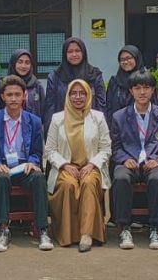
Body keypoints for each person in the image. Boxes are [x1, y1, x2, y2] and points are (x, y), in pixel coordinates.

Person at [0, 75, 53, 252]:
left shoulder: (34, 121)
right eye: (9, 95)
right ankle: (4, 230)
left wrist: (33, 162)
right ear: (3, 97)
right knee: (1, 179)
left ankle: (43, 230)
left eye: (17, 94)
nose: (14, 99)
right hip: (3, 166)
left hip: (24, 167)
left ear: (24, 96)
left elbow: (37, 151)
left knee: (38, 177)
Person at [110, 70, 158, 250]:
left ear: (153, 90)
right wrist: (124, 159)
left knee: (157, 178)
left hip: (155, 162)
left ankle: (155, 227)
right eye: (137, 88)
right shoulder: (119, 116)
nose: (142, 92)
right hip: (129, 161)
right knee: (120, 178)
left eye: (146, 87)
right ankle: (124, 227)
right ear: (131, 91)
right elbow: (115, 146)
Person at [45, 79, 111, 251]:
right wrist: (64, 165)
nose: (78, 97)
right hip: (66, 167)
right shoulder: (57, 119)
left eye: (82, 93)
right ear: (68, 96)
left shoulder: (98, 117)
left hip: (91, 166)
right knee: (68, 185)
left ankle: (87, 234)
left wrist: (93, 164)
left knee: (88, 183)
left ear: (88, 95)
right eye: (73, 93)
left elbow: (106, 148)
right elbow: (50, 150)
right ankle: (67, 234)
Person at [44, 37, 106, 130]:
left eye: (77, 51)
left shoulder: (94, 74)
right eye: (70, 51)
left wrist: (102, 128)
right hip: (63, 128)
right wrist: (49, 130)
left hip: (90, 128)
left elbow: (101, 105)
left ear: (83, 52)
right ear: (65, 54)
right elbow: (50, 106)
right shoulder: (55, 76)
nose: (74, 54)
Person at [106, 45, 148, 125]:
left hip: (141, 126)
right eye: (122, 59)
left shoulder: (146, 80)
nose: (125, 62)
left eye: (129, 58)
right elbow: (109, 106)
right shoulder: (114, 81)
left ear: (136, 58)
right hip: (118, 125)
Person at [6, 49, 45, 119]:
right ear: (14, 63)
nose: (23, 66)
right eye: (20, 62)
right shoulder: (5, 85)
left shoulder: (37, 86)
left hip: (33, 125)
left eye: (27, 63)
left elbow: (43, 110)